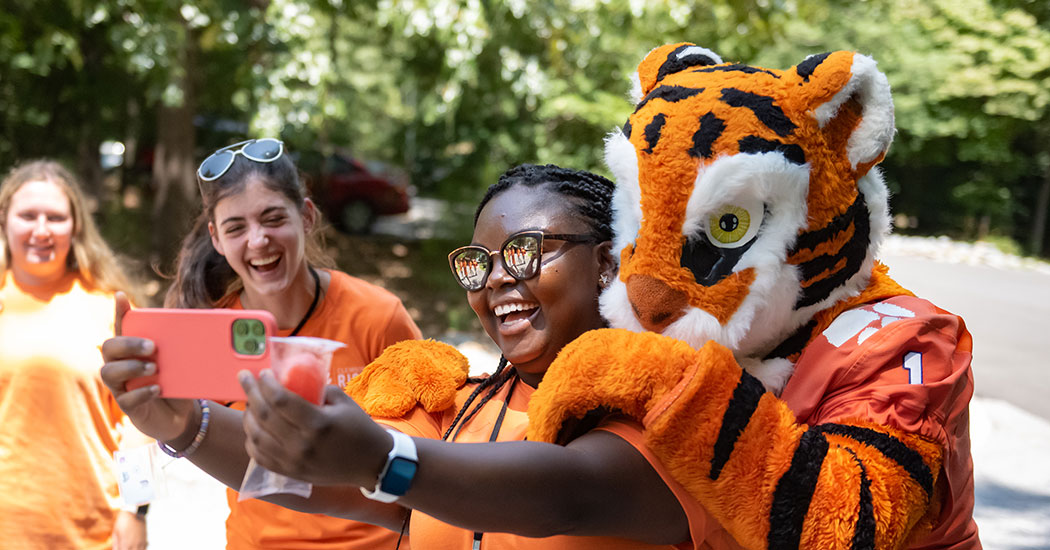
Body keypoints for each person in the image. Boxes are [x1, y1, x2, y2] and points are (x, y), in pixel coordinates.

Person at [101, 163, 740, 549]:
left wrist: (385, 460)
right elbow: (305, 474)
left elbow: (564, 494)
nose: (494, 280)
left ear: (607, 261)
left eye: (523, 252)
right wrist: (184, 423)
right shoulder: (458, 410)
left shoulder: (677, 400)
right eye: (478, 264)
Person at [157, 138, 423, 549]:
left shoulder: (378, 316)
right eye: (236, 227)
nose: (258, 240)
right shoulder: (212, 332)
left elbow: (427, 454)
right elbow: (174, 427)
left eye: (273, 218)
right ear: (216, 237)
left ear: (307, 216)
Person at [0, 159, 148, 550]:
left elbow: (140, 422)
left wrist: (135, 512)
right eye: (28, 215)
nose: (41, 230)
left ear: (76, 225)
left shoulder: (110, 307)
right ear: (5, 220)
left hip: (92, 532)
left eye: (56, 217)